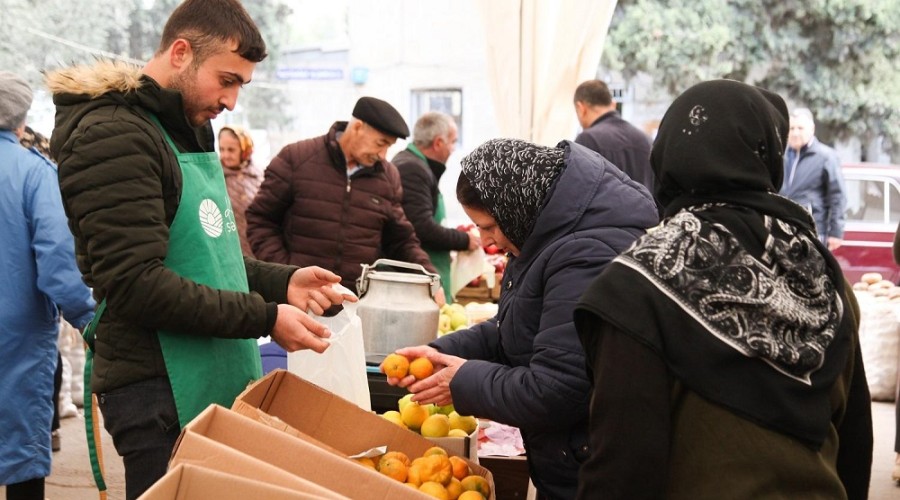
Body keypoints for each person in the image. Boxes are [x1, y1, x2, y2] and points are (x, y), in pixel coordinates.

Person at [46, 1, 352, 498]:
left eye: (240, 86)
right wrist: (266, 317)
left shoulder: (185, 127)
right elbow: (137, 285)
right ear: (182, 53)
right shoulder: (113, 135)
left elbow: (210, 253)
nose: (231, 101)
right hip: (156, 388)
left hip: (208, 368)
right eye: (226, 80)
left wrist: (284, 282)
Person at [574, 79, 873, 499]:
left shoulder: (639, 281)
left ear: (667, 156)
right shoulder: (822, 273)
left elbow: (623, 465)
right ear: (768, 155)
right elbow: (855, 437)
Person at [385, 138, 659, 499]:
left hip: (597, 471)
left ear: (515, 206)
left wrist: (465, 380)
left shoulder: (587, 253)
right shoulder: (538, 229)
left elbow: (557, 389)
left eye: (489, 227)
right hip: (570, 459)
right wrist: (439, 352)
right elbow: (513, 329)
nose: (487, 242)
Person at [0, 71, 95, 500]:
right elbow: (58, 262)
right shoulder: (34, 173)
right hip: (16, 336)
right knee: (20, 447)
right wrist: (89, 319)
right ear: (21, 119)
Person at [246, 96, 438, 295]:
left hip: (354, 303)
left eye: (388, 147)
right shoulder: (296, 159)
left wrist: (429, 277)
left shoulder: (388, 177)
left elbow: (401, 240)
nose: (383, 155)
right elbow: (260, 220)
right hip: (298, 299)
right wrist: (286, 273)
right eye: (380, 143)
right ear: (357, 127)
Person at [392, 111, 479, 303]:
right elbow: (420, 227)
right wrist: (464, 240)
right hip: (417, 284)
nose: (453, 149)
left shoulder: (414, 165)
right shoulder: (412, 169)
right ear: (438, 142)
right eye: (452, 142)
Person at [779, 107, 847, 250]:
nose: (795, 133)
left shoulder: (826, 157)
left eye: (800, 128)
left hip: (812, 230)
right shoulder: (782, 155)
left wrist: (836, 232)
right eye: (791, 128)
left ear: (812, 129)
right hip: (783, 228)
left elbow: (837, 196)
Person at [573, 79, 656, 196]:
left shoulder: (587, 140)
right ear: (613, 104)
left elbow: (578, 193)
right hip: (648, 214)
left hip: (604, 214)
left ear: (581, 108)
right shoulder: (646, 140)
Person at [218, 125, 263, 257]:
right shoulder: (214, 176)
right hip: (228, 251)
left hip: (258, 249)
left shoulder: (261, 176)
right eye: (221, 149)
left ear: (245, 150)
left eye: (231, 150)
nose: (225, 155)